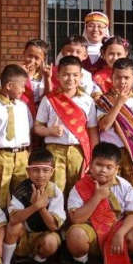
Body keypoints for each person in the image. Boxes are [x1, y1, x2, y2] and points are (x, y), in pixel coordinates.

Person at [64, 143, 133, 264]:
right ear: (91, 165)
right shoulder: (80, 186)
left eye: (109, 167)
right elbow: (76, 219)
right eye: (99, 165)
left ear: (117, 169)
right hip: (92, 235)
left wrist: (120, 233)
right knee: (75, 234)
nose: (103, 170)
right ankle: (81, 261)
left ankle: (120, 256)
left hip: (117, 236)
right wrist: (97, 197)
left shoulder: (124, 186)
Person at [33, 55, 99, 193]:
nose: (70, 79)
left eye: (75, 75)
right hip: (54, 151)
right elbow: (37, 128)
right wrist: (49, 131)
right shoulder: (49, 99)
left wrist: (94, 157)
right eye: (66, 75)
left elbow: (92, 130)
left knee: (78, 190)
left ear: (81, 76)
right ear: (58, 76)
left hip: (79, 152)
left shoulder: (87, 101)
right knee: (55, 191)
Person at [3, 149, 65, 264]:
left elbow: (54, 226)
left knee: (51, 241)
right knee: (13, 226)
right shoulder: (22, 189)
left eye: (45, 170)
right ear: (28, 171)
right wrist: (35, 206)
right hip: (24, 236)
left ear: (52, 172)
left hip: (44, 235)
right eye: (35, 170)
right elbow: (13, 219)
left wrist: (42, 208)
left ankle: (39, 260)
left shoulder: (55, 192)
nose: (40, 175)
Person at [94, 57, 133, 201]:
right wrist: (119, 103)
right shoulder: (104, 100)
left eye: (126, 78)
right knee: (111, 195)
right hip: (110, 154)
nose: (122, 81)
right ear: (112, 78)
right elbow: (104, 125)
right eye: (118, 77)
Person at [0, 64, 33, 209]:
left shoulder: (23, 107)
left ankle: (18, 223)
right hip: (0, 157)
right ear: (9, 85)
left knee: (22, 197)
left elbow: (29, 133)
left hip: (22, 156)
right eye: (22, 86)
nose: (24, 90)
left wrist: (28, 155)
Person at [19, 38, 51, 118]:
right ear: (24, 53)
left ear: (43, 60)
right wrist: (21, 76)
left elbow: (47, 96)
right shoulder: (13, 71)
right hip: (18, 113)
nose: (32, 61)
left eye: (37, 58)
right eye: (29, 56)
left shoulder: (44, 75)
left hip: (38, 115)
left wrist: (47, 78)